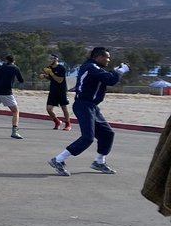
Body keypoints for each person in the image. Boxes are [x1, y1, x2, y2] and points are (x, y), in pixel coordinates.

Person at [48, 47, 129, 176]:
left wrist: (115, 71)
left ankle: (99, 162)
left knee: (108, 134)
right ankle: (58, 160)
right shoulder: (91, 67)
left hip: (92, 107)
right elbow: (111, 80)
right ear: (98, 57)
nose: (109, 59)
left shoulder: (95, 68)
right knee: (87, 138)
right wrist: (120, 72)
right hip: (83, 105)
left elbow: (107, 76)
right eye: (106, 57)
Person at [42, 53, 71, 130]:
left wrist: (51, 73)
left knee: (64, 108)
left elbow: (59, 80)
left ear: (56, 59)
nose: (50, 60)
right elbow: (51, 78)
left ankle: (68, 124)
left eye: (52, 59)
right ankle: (57, 121)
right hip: (53, 90)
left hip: (61, 90)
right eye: (49, 59)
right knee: (49, 109)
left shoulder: (61, 68)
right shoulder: (49, 67)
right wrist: (45, 76)